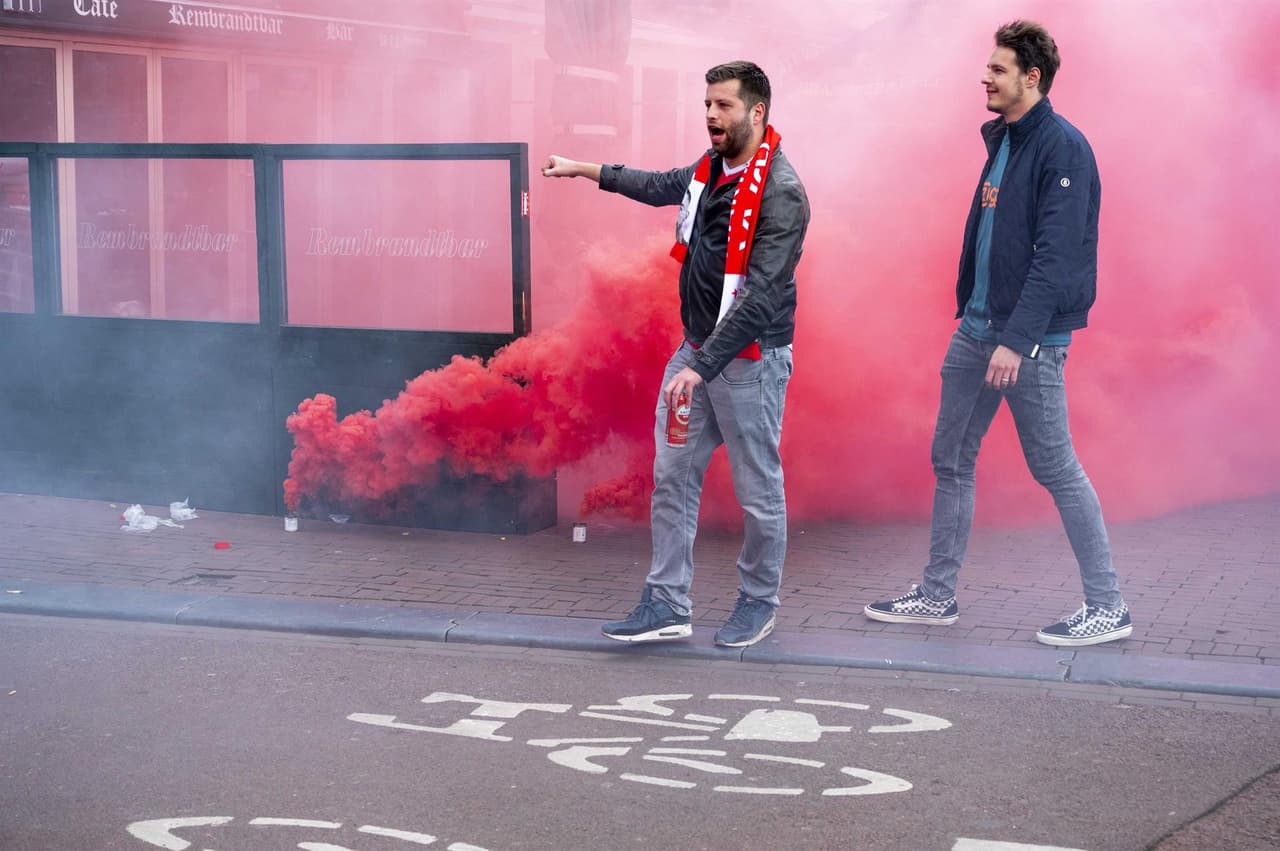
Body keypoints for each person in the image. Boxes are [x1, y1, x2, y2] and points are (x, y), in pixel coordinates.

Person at [864, 21, 1131, 647]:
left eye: (998, 69)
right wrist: (982, 323)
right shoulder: (1004, 140)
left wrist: (1016, 340)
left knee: (1055, 468)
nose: (984, 77)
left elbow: (1055, 255)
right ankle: (936, 597)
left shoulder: (1062, 148)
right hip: (976, 330)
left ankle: (1108, 605)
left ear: (1031, 77)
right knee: (950, 458)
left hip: (1025, 341)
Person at [542, 61, 810, 648]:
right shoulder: (708, 172)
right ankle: (667, 603)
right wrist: (584, 169)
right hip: (698, 354)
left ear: (757, 112)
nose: (711, 115)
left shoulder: (781, 193)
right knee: (672, 477)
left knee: (758, 489)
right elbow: (656, 184)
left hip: (747, 363)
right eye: (708, 104)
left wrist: (698, 365)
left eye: (724, 106)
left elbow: (761, 298)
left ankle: (759, 602)